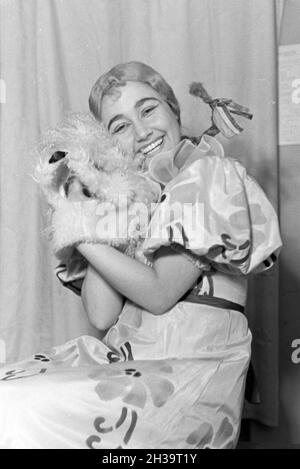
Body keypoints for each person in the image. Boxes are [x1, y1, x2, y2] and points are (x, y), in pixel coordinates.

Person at [0, 62, 282, 449]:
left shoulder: (209, 174)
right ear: (108, 143)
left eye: (148, 109)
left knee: (15, 407)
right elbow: (102, 313)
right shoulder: (137, 202)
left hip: (188, 377)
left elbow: (160, 293)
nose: (141, 130)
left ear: (174, 110)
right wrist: (100, 208)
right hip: (133, 367)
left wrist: (75, 225)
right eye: (119, 126)